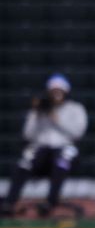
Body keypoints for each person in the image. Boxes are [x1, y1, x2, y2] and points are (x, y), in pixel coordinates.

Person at [0, 74, 88, 218]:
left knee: (62, 160)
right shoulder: (39, 110)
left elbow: (78, 133)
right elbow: (27, 135)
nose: (56, 94)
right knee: (25, 161)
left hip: (64, 146)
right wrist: (38, 115)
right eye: (53, 91)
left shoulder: (75, 109)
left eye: (59, 91)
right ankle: (9, 203)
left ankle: (50, 202)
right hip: (41, 149)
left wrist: (56, 119)